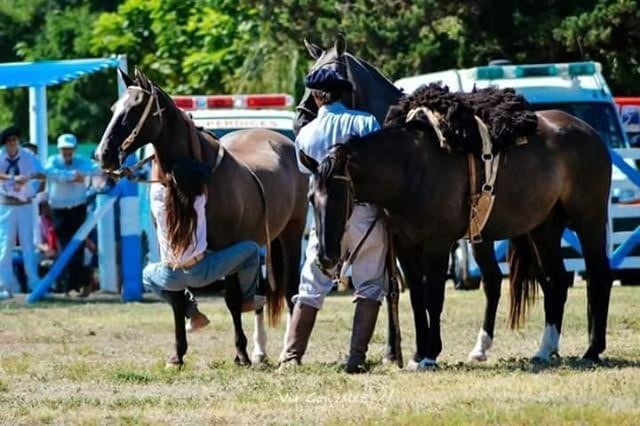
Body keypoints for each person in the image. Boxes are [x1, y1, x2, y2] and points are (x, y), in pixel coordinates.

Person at [279, 67, 389, 373]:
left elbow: (311, 179)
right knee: (369, 286)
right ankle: (355, 358)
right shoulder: (366, 122)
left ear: (315, 96)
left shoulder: (306, 135)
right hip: (365, 214)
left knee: (312, 284)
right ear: (343, 93)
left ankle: (291, 357)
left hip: (326, 218)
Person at [142, 157, 265, 333]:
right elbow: (204, 185)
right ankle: (247, 299)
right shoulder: (198, 201)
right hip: (202, 271)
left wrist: (156, 159)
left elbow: (155, 182)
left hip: (170, 274)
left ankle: (193, 314)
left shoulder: (158, 203)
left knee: (146, 275)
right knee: (252, 250)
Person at [45, 133, 101, 296]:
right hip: (59, 210)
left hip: (78, 208)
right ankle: (70, 285)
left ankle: (76, 285)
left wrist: (80, 174)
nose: (67, 152)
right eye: (64, 149)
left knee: (78, 248)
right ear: (59, 149)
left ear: (74, 149)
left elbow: (96, 168)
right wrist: (71, 176)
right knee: (64, 247)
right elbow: (49, 171)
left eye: (69, 149)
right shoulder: (53, 161)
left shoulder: (81, 161)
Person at [0, 126, 45, 300]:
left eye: (15, 140)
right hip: (6, 205)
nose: (12, 144)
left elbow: (42, 174)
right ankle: (6, 285)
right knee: (5, 246)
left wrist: (29, 177)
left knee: (28, 245)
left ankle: (34, 284)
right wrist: (11, 178)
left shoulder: (28, 157)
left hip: (25, 204)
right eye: (9, 141)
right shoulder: (1, 156)